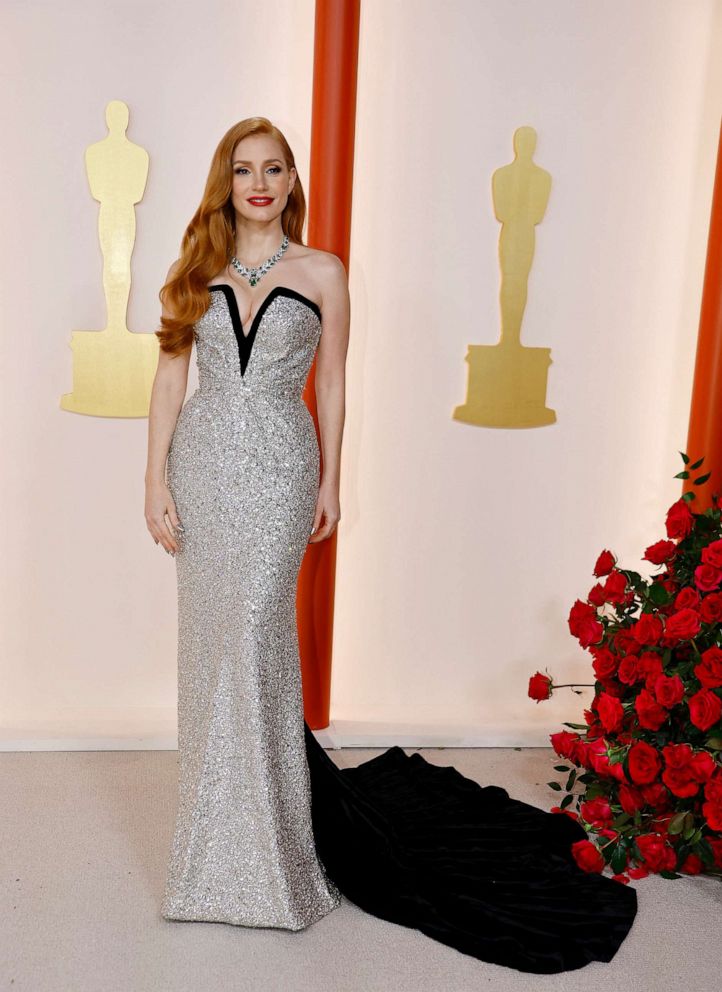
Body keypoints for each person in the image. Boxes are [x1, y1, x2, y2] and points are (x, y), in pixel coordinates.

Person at [144, 116, 637, 974]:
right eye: (243, 170)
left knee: (256, 638)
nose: (259, 183)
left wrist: (331, 479)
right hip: (204, 469)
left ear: (293, 179)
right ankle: (211, 859)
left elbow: (330, 377)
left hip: (279, 468)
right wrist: (153, 480)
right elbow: (168, 377)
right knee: (212, 651)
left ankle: (275, 864)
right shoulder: (196, 272)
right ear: (226, 183)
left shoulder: (324, 272)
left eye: (274, 169)